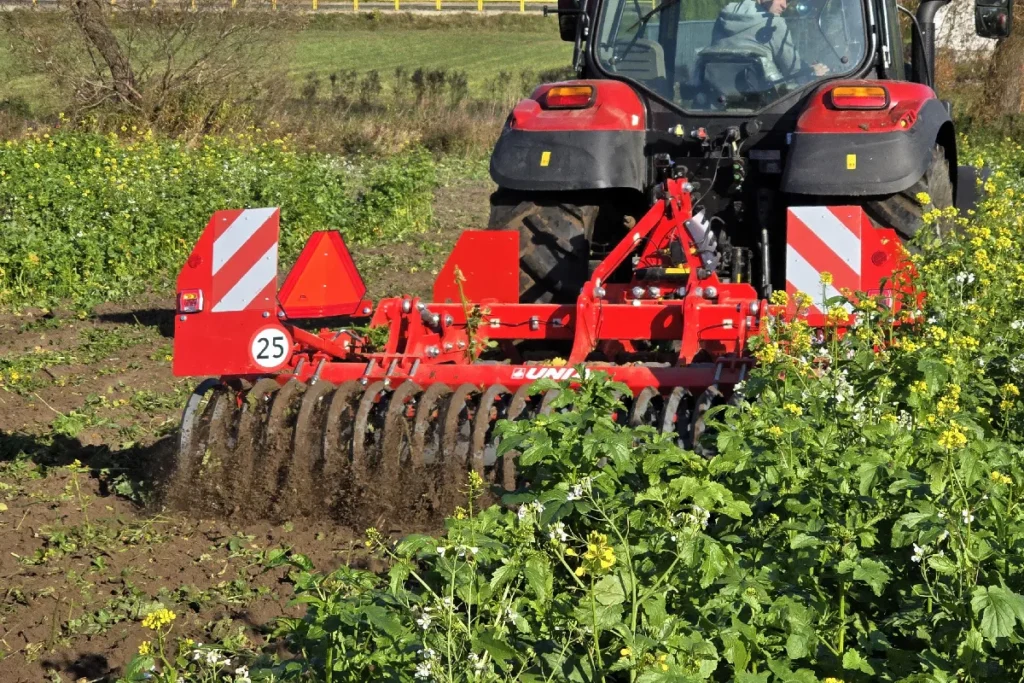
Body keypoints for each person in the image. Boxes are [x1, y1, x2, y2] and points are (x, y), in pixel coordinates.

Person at [708, 0, 828, 82]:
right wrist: (812, 71)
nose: (784, 6)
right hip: (759, 102)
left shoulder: (725, 14)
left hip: (715, 98)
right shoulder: (774, 23)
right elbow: (793, 71)